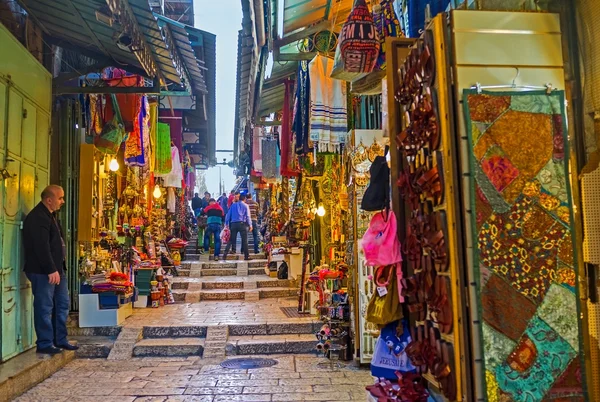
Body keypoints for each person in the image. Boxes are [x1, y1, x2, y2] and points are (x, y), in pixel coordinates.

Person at [23, 185, 78, 354]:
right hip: (43, 271)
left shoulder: (51, 216)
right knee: (45, 306)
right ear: (49, 200)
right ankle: (45, 343)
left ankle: (59, 339)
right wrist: (50, 269)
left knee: (61, 304)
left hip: (56, 270)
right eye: (60, 198)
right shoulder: (38, 217)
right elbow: (41, 246)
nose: (62, 201)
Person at [223, 193, 252, 261]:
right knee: (244, 241)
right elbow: (248, 216)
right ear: (244, 199)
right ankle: (246, 256)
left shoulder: (233, 205)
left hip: (233, 224)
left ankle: (224, 255)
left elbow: (228, 215)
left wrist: (226, 224)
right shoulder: (245, 205)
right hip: (242, 224)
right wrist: (250, 225)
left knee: (231, 240)